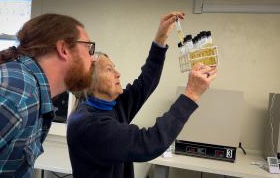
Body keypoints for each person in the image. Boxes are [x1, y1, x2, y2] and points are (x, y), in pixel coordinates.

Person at [67, 11, 217, 178]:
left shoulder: (110, 104)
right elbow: (149, 143)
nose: (118, 73)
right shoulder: (89, 124)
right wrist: (191, 94)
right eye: (109, 70)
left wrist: (160, 38)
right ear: (90, 81)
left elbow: (146, 82)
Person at [0, 13, 95, 177]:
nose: (93, 58)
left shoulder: (29, 92)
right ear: (64, 49)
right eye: (89, 49)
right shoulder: (13, 95)